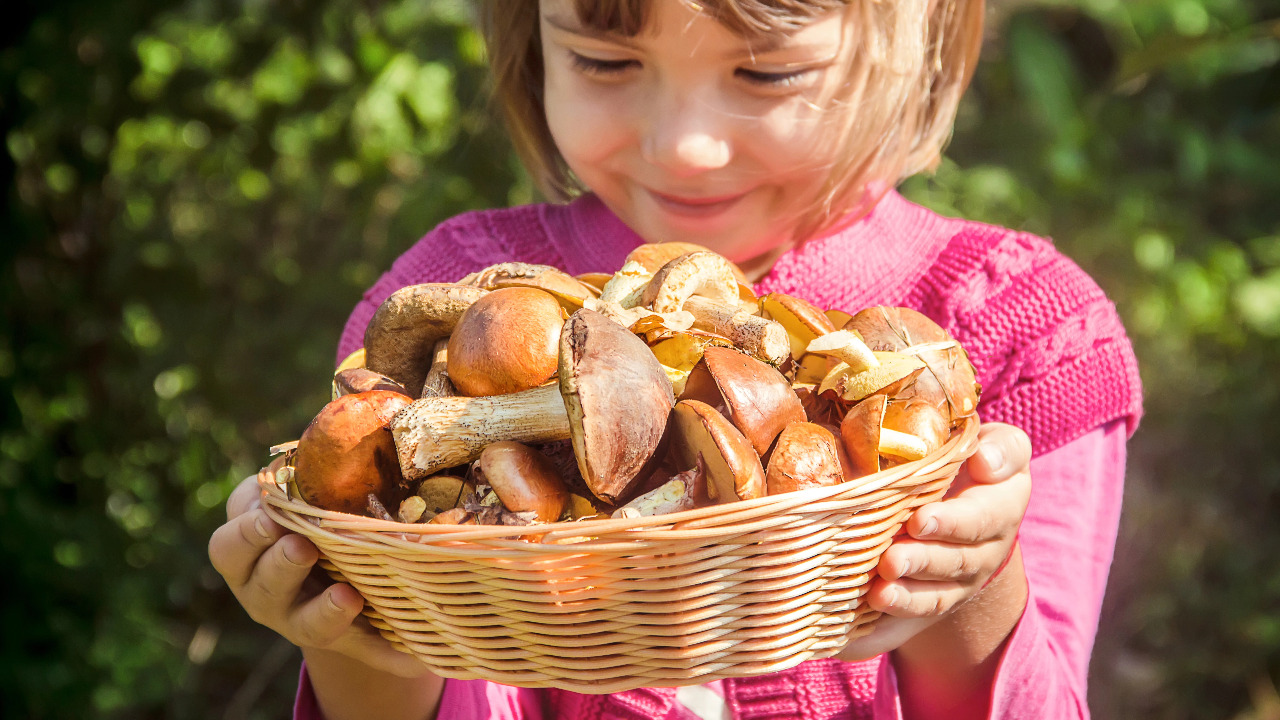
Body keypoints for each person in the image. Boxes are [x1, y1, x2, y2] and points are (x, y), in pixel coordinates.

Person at [208, 1, 1143, 718]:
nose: (685, 146)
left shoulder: (1024, 332)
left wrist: (971, 585)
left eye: (770, 72)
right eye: (607, 60)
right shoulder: (447, 308)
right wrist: (358, 639)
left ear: (925, 31)